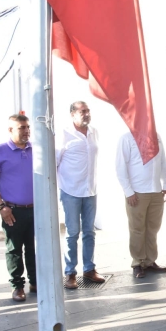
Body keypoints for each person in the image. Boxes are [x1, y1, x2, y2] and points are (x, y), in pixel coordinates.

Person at [0, 114, 36, 302]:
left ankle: (35, 282)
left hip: (35, 209)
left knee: (32, 248)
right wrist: (1, 207)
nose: (26, 131)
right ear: (10, 130)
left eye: (27, 127)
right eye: (21, 127)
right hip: (13, 210)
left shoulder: (35, 149)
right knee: (14, 249)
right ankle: (17, 286)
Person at [56, 101, 105, 289]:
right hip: (71, 191)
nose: (86, 114)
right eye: (82, 111)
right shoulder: (63, 134)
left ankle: (89, 269)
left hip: (90, 190)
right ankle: (70, 273)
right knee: (72, 233)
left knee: (90, 232)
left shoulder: (94, 132)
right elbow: (55, 162)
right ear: (72, 114)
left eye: (88, 110)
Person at [116, 131, 166, 278]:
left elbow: (163, 161)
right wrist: (128, 191)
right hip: (137, 192)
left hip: (156, 191)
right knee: (137, 229)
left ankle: (150, 261)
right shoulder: (126, 138)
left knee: (153, 229)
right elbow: (120, 167)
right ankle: (137, 263)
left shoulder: (157, 137)